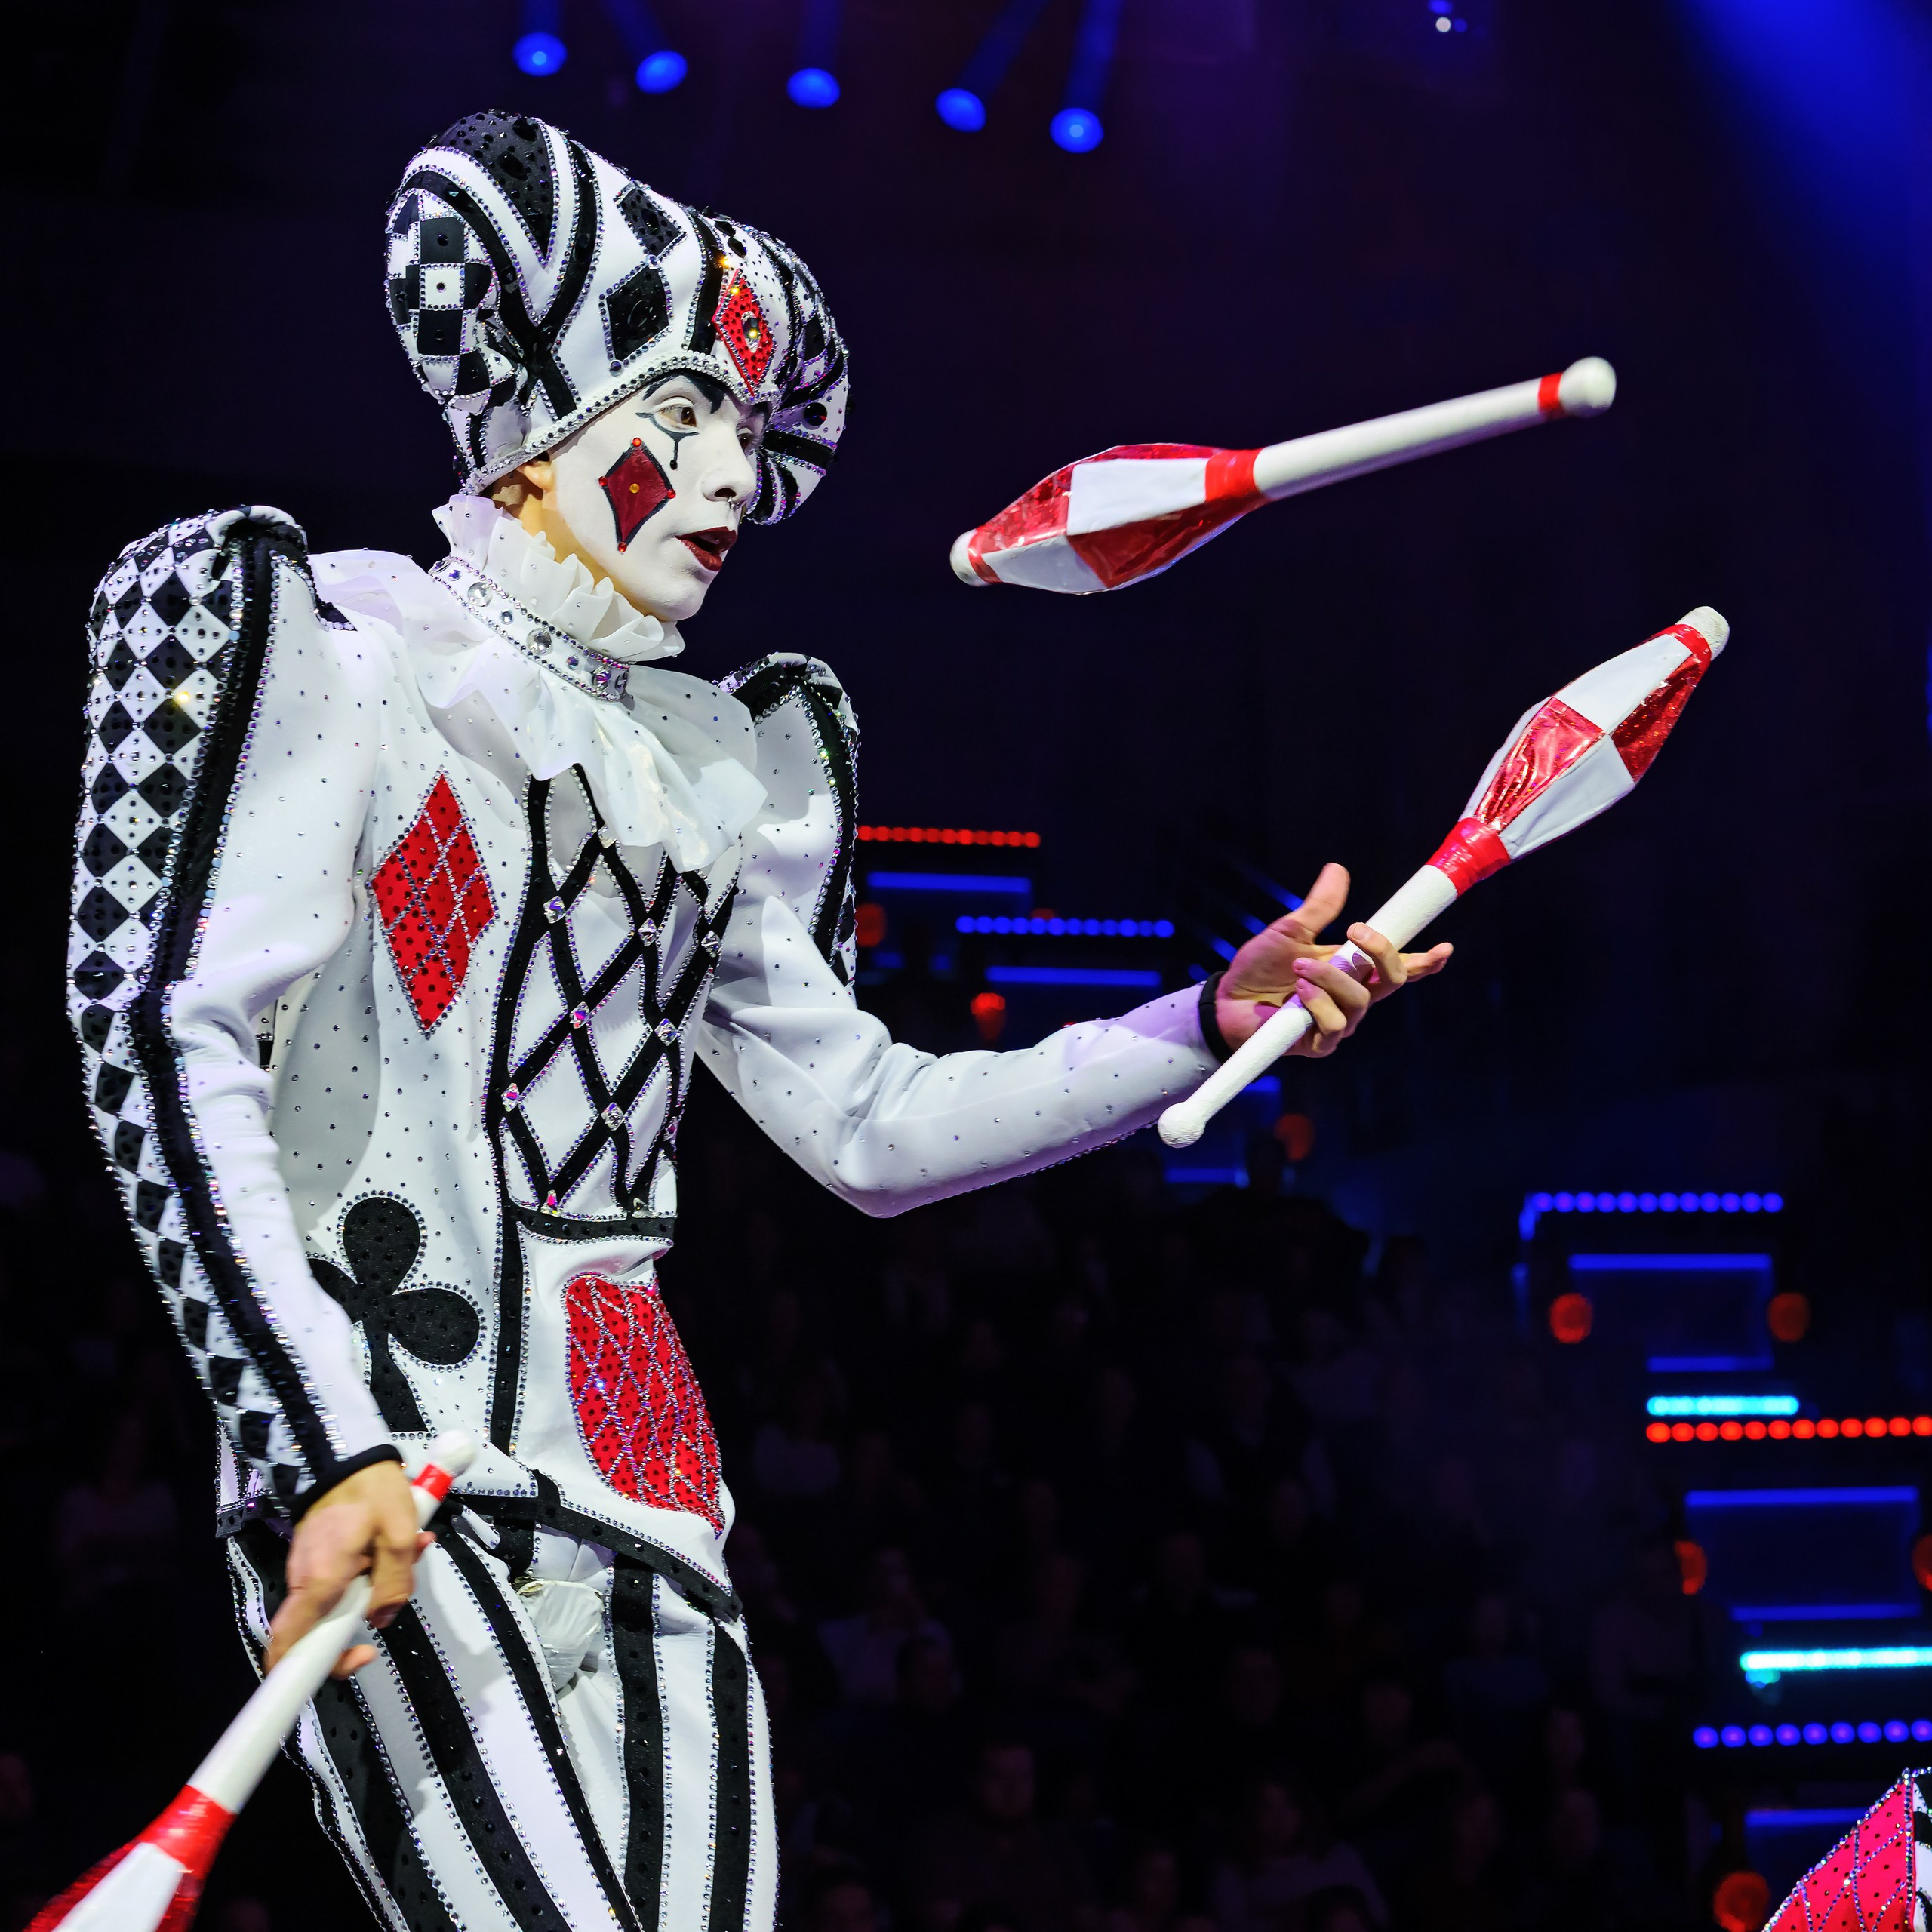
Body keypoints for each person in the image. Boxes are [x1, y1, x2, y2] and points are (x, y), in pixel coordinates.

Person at [66, 110, 1448, 1932]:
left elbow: (870, 1127)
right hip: (393, 1455)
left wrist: (1205, 1013)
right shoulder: (336, 647)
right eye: (687, 417)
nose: (736, 477)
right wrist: (310, 1432)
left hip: (646, 1488)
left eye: (746, 426)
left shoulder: (721, 764)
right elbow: (167, 1039)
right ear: (543, 427)